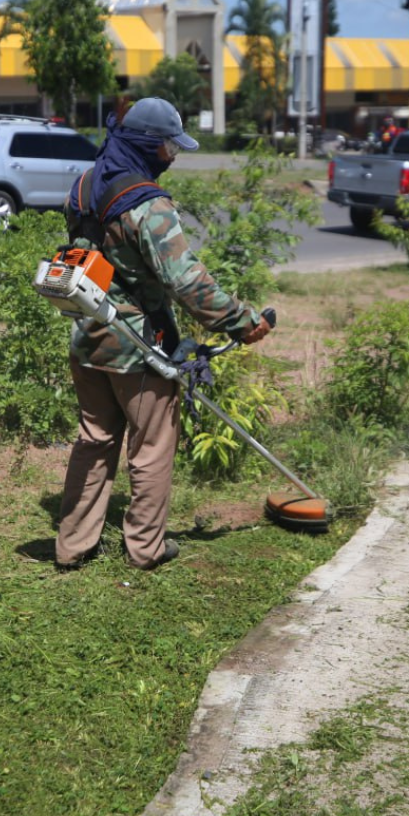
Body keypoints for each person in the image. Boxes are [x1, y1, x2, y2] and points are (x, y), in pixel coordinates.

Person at [54, 97, 271, 572]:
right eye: (170, 147)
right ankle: (145, 549)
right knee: (151, 446)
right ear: (149, 145)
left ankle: (72, 545)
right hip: (138, 346)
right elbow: (186, 281)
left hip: (89, 333)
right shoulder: (147, 203)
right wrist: (241, 321)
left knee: (94, 440)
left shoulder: (86, 184)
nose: (172, 157)